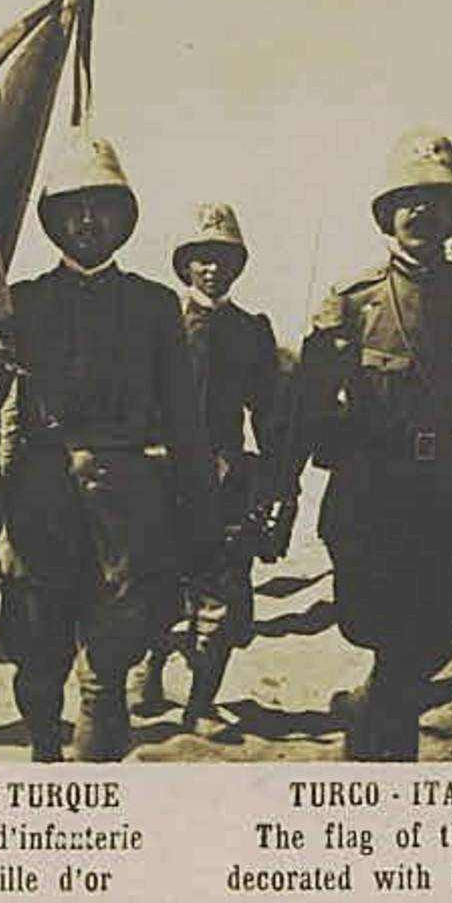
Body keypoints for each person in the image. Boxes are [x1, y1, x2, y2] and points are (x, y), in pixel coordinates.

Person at [285, 128, 452, 761]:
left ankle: (374, 705)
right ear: (387, 214)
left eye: (437, 202)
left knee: (438, 636)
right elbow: (305, 415)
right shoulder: (352, 302)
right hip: (371, 498)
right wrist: (282, 486)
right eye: (408, 200)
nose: (421, 213)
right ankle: (390, 731)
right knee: (375, 626)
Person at [0, 136, 217, 762]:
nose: (88, 220)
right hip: (39, 509)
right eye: (73, 207)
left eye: (101, 207)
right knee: (37, 667)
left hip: (129, 516)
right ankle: (43, 750)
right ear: (53, 221)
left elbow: (184, 425)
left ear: (124, 219)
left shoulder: (154, 306)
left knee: (107, 674)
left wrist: (200, 525)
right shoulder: (20, 303)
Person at [134, 202, 286, 733]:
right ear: (185, 265)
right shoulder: (158, 320)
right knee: (157, 590)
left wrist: (274, 481)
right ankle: (148, 674)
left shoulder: (251, 330)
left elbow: (268, 412)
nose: (213, 269)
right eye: (202, 258)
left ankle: (200, 705)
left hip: (227, 480)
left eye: (223, 258)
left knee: (223, 598)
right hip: (161, 476)